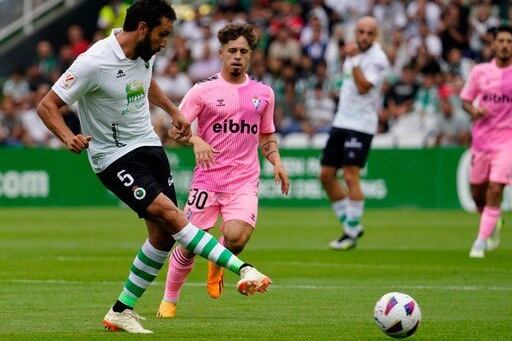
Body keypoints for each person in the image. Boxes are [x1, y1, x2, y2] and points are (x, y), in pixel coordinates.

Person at [36, 0, 271, 334]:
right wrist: (67, 136)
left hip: (149, 146)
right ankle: (245, 269)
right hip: (114, 158)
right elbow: (46, 105)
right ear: (143, 28)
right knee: (175, 218)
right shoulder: (94, 62)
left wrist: (174, 110)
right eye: (163, 34)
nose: (166, 42)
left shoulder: (145, 52)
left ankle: (121, 311)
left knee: (162, 236)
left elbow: (144, 82)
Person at [157, 23, 289, 318]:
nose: (238, 56)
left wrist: (277, 161)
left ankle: (216, 262)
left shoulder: (263, 93)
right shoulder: (202, 91)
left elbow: (266, 136)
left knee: (236, 237)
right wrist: (195, 139)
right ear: (221, 53)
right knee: (189, 243)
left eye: (244, 51)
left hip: (243, 180)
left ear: (251, 55)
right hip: (207, 179)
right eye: (232, 51)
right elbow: (175, 131)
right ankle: (169, 299)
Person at [319, 16, 389, 250]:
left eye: (369, 33)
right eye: (361, 32)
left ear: (376, 35)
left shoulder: (378, 59)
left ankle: (349, 233)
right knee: (326, 175)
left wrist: (355, 59)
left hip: (361, 126)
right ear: (355, 32)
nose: (364, 37)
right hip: (341, 121)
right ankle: (351, 224)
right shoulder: (353, 55)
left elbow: (363, 87)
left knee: (350, 176)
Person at [460, 25, 512, 258]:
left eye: (509, 42)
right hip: (481, 142)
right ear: (492, 44)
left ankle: (480, 241)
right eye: (500, 41)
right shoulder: (480, 72)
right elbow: (465, 100)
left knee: (495, 187)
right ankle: (492, 220)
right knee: (477, 194)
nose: (504, 45)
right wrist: (473, 110)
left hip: (507, 141)